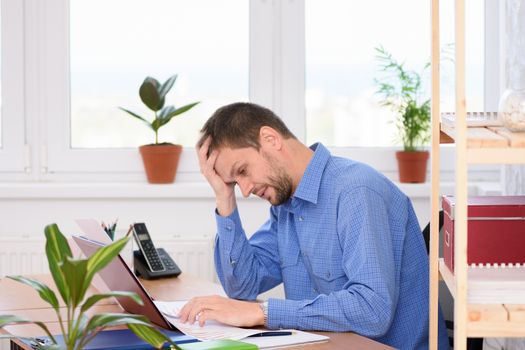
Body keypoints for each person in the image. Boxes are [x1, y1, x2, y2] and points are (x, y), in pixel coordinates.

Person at [179, 102, 450, 349]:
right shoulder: (285, 207)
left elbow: (372, 310)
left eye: (242, 171)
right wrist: (224, 196)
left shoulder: (356, 192)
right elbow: (243, 287)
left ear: (270, 139)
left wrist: (264, 313)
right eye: (235, 183)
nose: (246, 190)